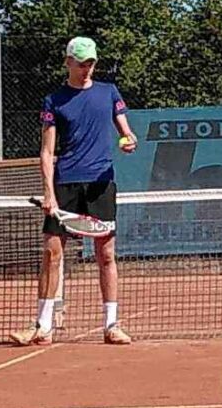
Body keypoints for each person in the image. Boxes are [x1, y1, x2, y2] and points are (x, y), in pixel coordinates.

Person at [16, 36, 138, 347]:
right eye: (81, 63)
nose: (87, 69)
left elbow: (126, 131)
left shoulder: (108, 92)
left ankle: (111, 325)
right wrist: (49, 193)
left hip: (100, 184)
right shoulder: (54, 101)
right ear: (68, 62)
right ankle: (43, 326)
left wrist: (128, 139)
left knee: (106, 254)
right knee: (51, 253)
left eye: (91, 63)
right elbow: (47, 152)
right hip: (66, 183)